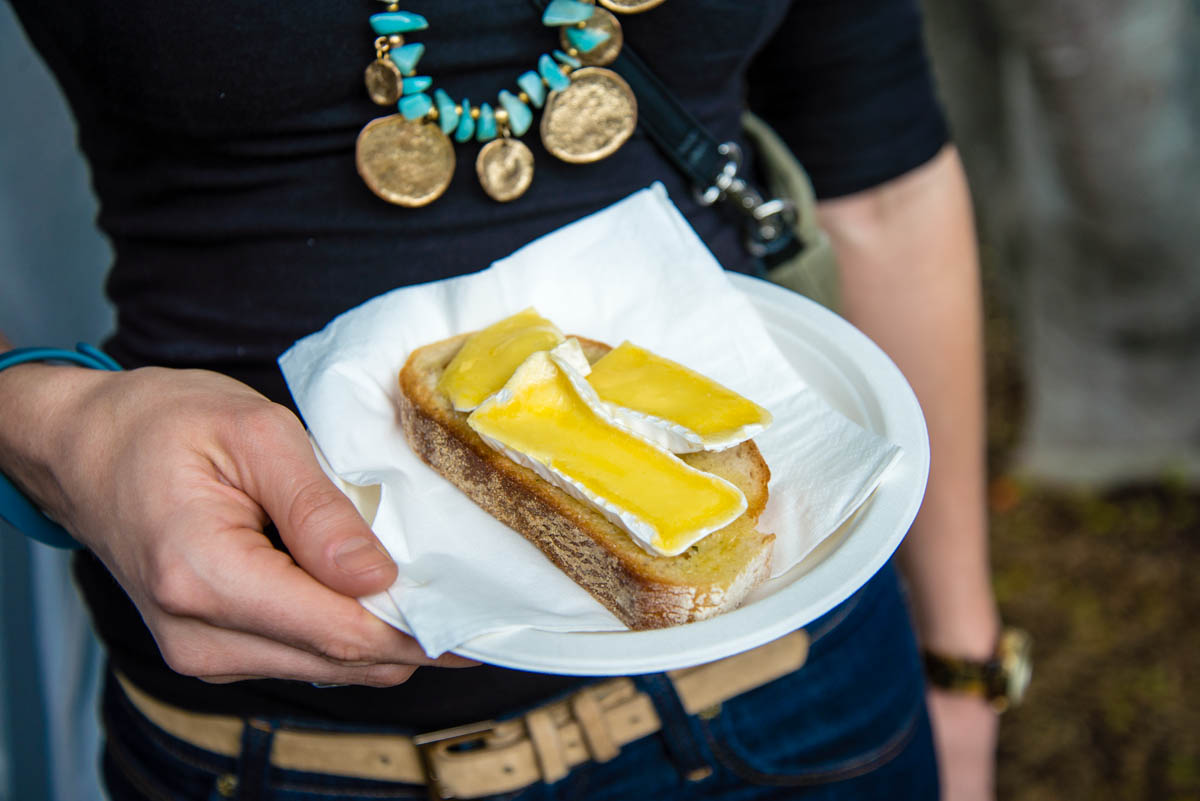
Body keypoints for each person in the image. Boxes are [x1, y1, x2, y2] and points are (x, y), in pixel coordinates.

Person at [0, 0, 1001, 798]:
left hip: (798, 693)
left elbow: (882, 185)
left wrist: (962, 667)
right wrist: (49, 422)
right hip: (280, 750)